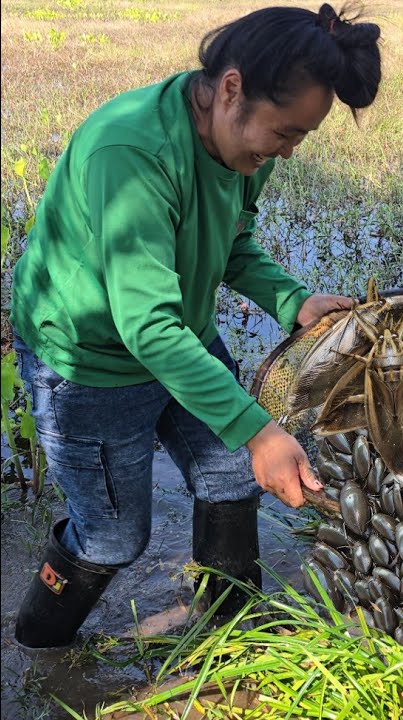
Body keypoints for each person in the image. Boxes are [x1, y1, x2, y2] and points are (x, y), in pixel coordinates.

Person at [9, 4, 381, 650]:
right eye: (285, 133)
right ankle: (39, 646)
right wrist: (259, 429)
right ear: (230, 87)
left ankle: (230, 631)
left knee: (234, 477)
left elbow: (232, 245)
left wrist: (291, 300)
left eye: (301, 139)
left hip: (178, 331)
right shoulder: (131, 152)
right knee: (114, 537)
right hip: (91, 362)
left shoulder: (244, 149)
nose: (286, 154)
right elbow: (145, 328)